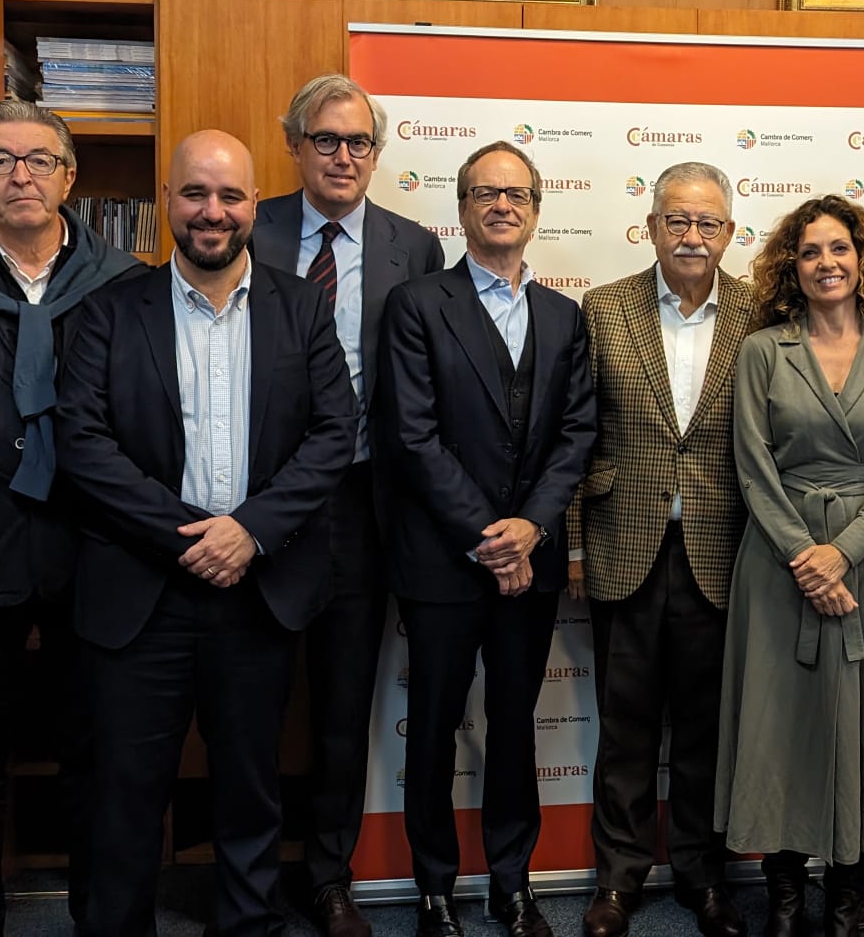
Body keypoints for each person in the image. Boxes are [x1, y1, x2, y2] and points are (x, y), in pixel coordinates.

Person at [55, 130, 359, 937]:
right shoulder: (109, 311)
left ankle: (247, 926)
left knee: (250, 785)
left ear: (255, 204)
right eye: (195, 194)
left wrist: (249, 532)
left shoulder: (302, 308)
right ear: (167, 204)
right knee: (126, 791)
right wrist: (192, 536)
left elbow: (335, 433)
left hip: (256, 592)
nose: (212, 212)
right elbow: (83, 444)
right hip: (140, 591)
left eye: (230, 196)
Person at [0, 100, 140, 936]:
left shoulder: (125, 285)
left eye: (39, 159)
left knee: (93, 754)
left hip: (94, 546)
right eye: (0, 160)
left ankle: (97, 919)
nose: (21, 175)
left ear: (69, 176)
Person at [375, 141, 596, 937]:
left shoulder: (563, 316)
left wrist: (531, 529)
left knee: (513, 728)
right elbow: (411, 435)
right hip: (442, 562)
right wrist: (486, 536)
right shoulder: (417, 304)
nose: (501, 205)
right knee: (432, 726)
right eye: (484, 193)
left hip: (528, 566)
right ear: (462, 207)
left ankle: (513, 882)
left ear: (536, 209)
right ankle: (434, 888)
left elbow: (576, 435)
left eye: (516, 194)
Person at [253, 73, 445, 937]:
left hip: (362, 508)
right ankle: (247, 879)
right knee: (247, 703)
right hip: (253, 506)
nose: (342, 156)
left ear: (377, 153)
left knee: (339, 708)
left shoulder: (415, 248)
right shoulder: (243, 229)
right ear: (294, 144)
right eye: (325, 139)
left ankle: (328, 877)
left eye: (358, 141)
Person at [717, 194, 864, 937]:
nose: (826, 263)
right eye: (810, 252)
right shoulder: (761, 350)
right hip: (780, 564)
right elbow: (751, 467)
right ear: (791, 267)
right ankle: (782, 892)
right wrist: (806, 558)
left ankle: (849, 890)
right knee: (782, 723)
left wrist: (843, 552)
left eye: (838, 248)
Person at [570, 162, 757, 937]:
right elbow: (577, 435)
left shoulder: (761, 311)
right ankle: (617, 881)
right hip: (624, 543)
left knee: (708, 731)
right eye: (676, 220)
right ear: (649, 227)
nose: (691, 235)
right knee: (625, 729)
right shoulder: (602, 308)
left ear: (729, 234)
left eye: (707, 223)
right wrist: (575, 545)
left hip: (725, 548)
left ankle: (702, 877)